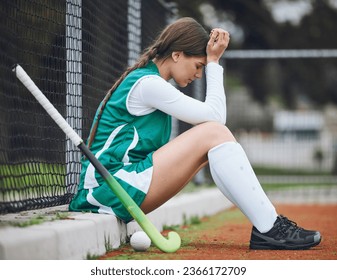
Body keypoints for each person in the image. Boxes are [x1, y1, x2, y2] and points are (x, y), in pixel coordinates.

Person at [69, 17, 321, 250]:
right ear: (177, 55)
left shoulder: (152, 83)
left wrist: (209, 62)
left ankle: (268, 225)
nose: (198, 74)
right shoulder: (148, 85)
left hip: (121, 185)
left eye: (203, 67)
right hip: (108, 188)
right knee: (213, 133)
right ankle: (270, 227)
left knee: (213, 142)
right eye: (198, 65)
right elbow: (216, 119)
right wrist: (214, 63)